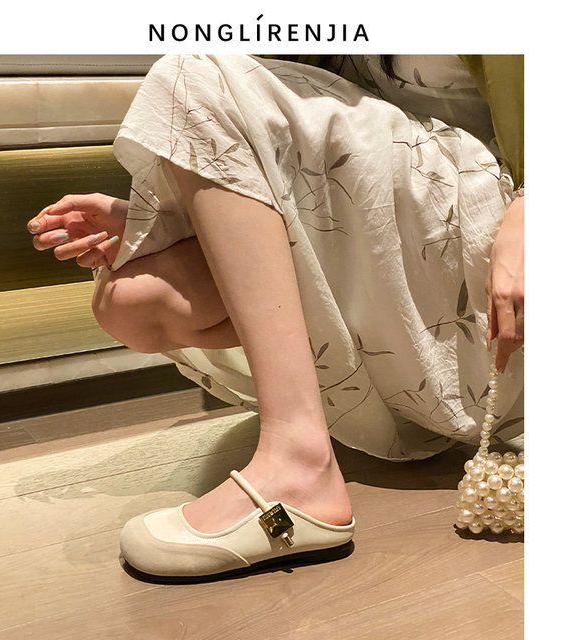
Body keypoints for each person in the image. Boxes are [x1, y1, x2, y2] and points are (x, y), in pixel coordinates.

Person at [26, 54, 524, 580]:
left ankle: (299, 461)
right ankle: (318, 438)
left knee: (194, 76)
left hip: (505, 247)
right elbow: (310, 144)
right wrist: (175, 221)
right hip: (410, 267)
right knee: (133, 302)